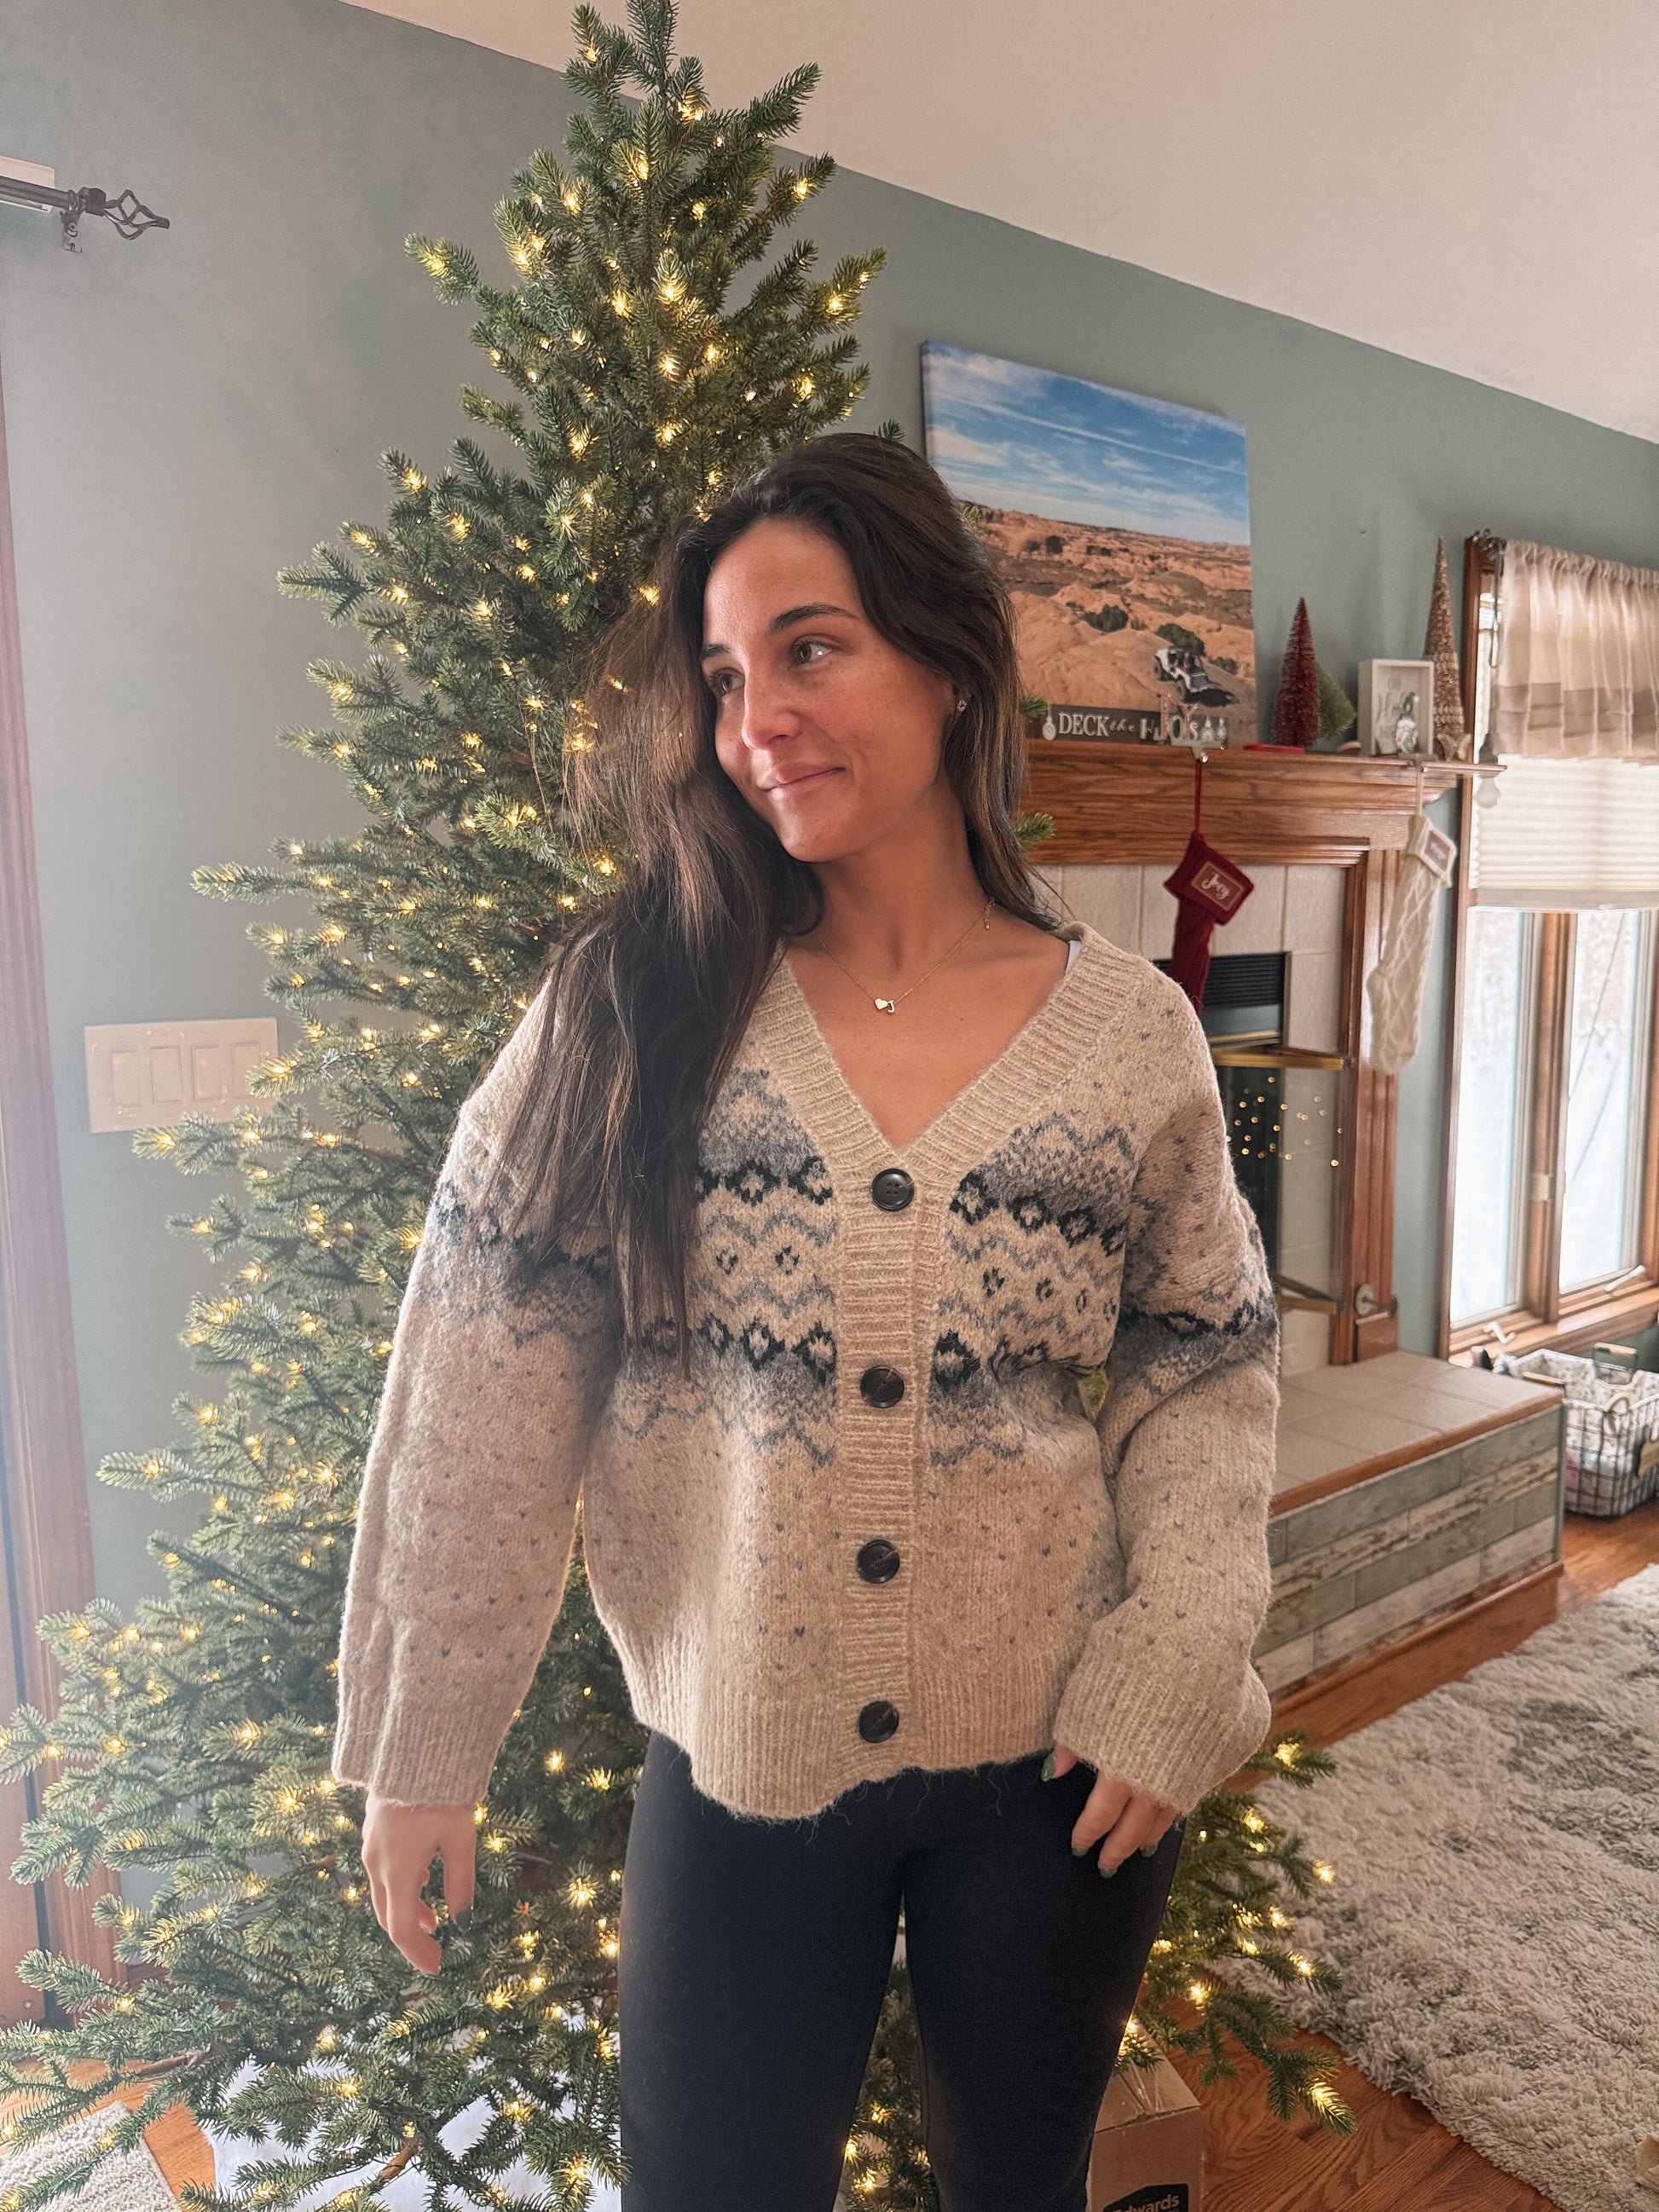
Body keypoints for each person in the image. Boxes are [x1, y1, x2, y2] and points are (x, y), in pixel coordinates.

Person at [332, 432, 1282, 2211]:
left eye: (811, 647)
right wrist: (422, 1743)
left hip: (1058, 1766)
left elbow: (1202, 1362)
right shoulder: (631, 1003)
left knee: (1019, 2188)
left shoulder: (1129, 1037)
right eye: (720, 674)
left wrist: (1179, 1655)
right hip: (738, 1753)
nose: (755, 716)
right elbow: (482, 1369)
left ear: (947, 662)